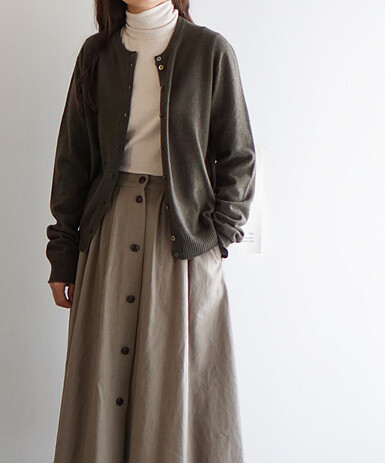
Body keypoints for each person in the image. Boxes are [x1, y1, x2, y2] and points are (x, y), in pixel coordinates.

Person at [45, 0, 256, 461]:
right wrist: (62, 252)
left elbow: (238, 157)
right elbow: (73, 160)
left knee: (171, 383)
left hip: (181, 242)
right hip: (108, 237)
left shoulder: (210, 51)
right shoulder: (96, 55)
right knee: (103, 383)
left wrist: (218, 235)